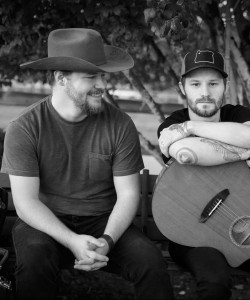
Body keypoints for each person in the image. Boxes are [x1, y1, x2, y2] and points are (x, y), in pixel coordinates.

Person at [1, 28, 174, 300]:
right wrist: (72, 241)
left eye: (102, 76)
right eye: (91, 77)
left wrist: (106, 240)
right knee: (34, 260)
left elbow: (129, 194)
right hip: (45, 221)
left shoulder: (120, 124)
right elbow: (26, 204)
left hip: (104, 221)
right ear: (60, 78)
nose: (102, 85)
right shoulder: (25, 128)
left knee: (150, 263)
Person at [157, 48, 250, 300]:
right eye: (195, 84)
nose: (205, 92)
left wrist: (191, 127)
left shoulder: (239, 115)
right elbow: (187, 153)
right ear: (182, 88)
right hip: (193, 234)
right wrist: (247, 154)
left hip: (243, 234)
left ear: (225, 85)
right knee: (215, 284)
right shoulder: (171, 124)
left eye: (213, 83)